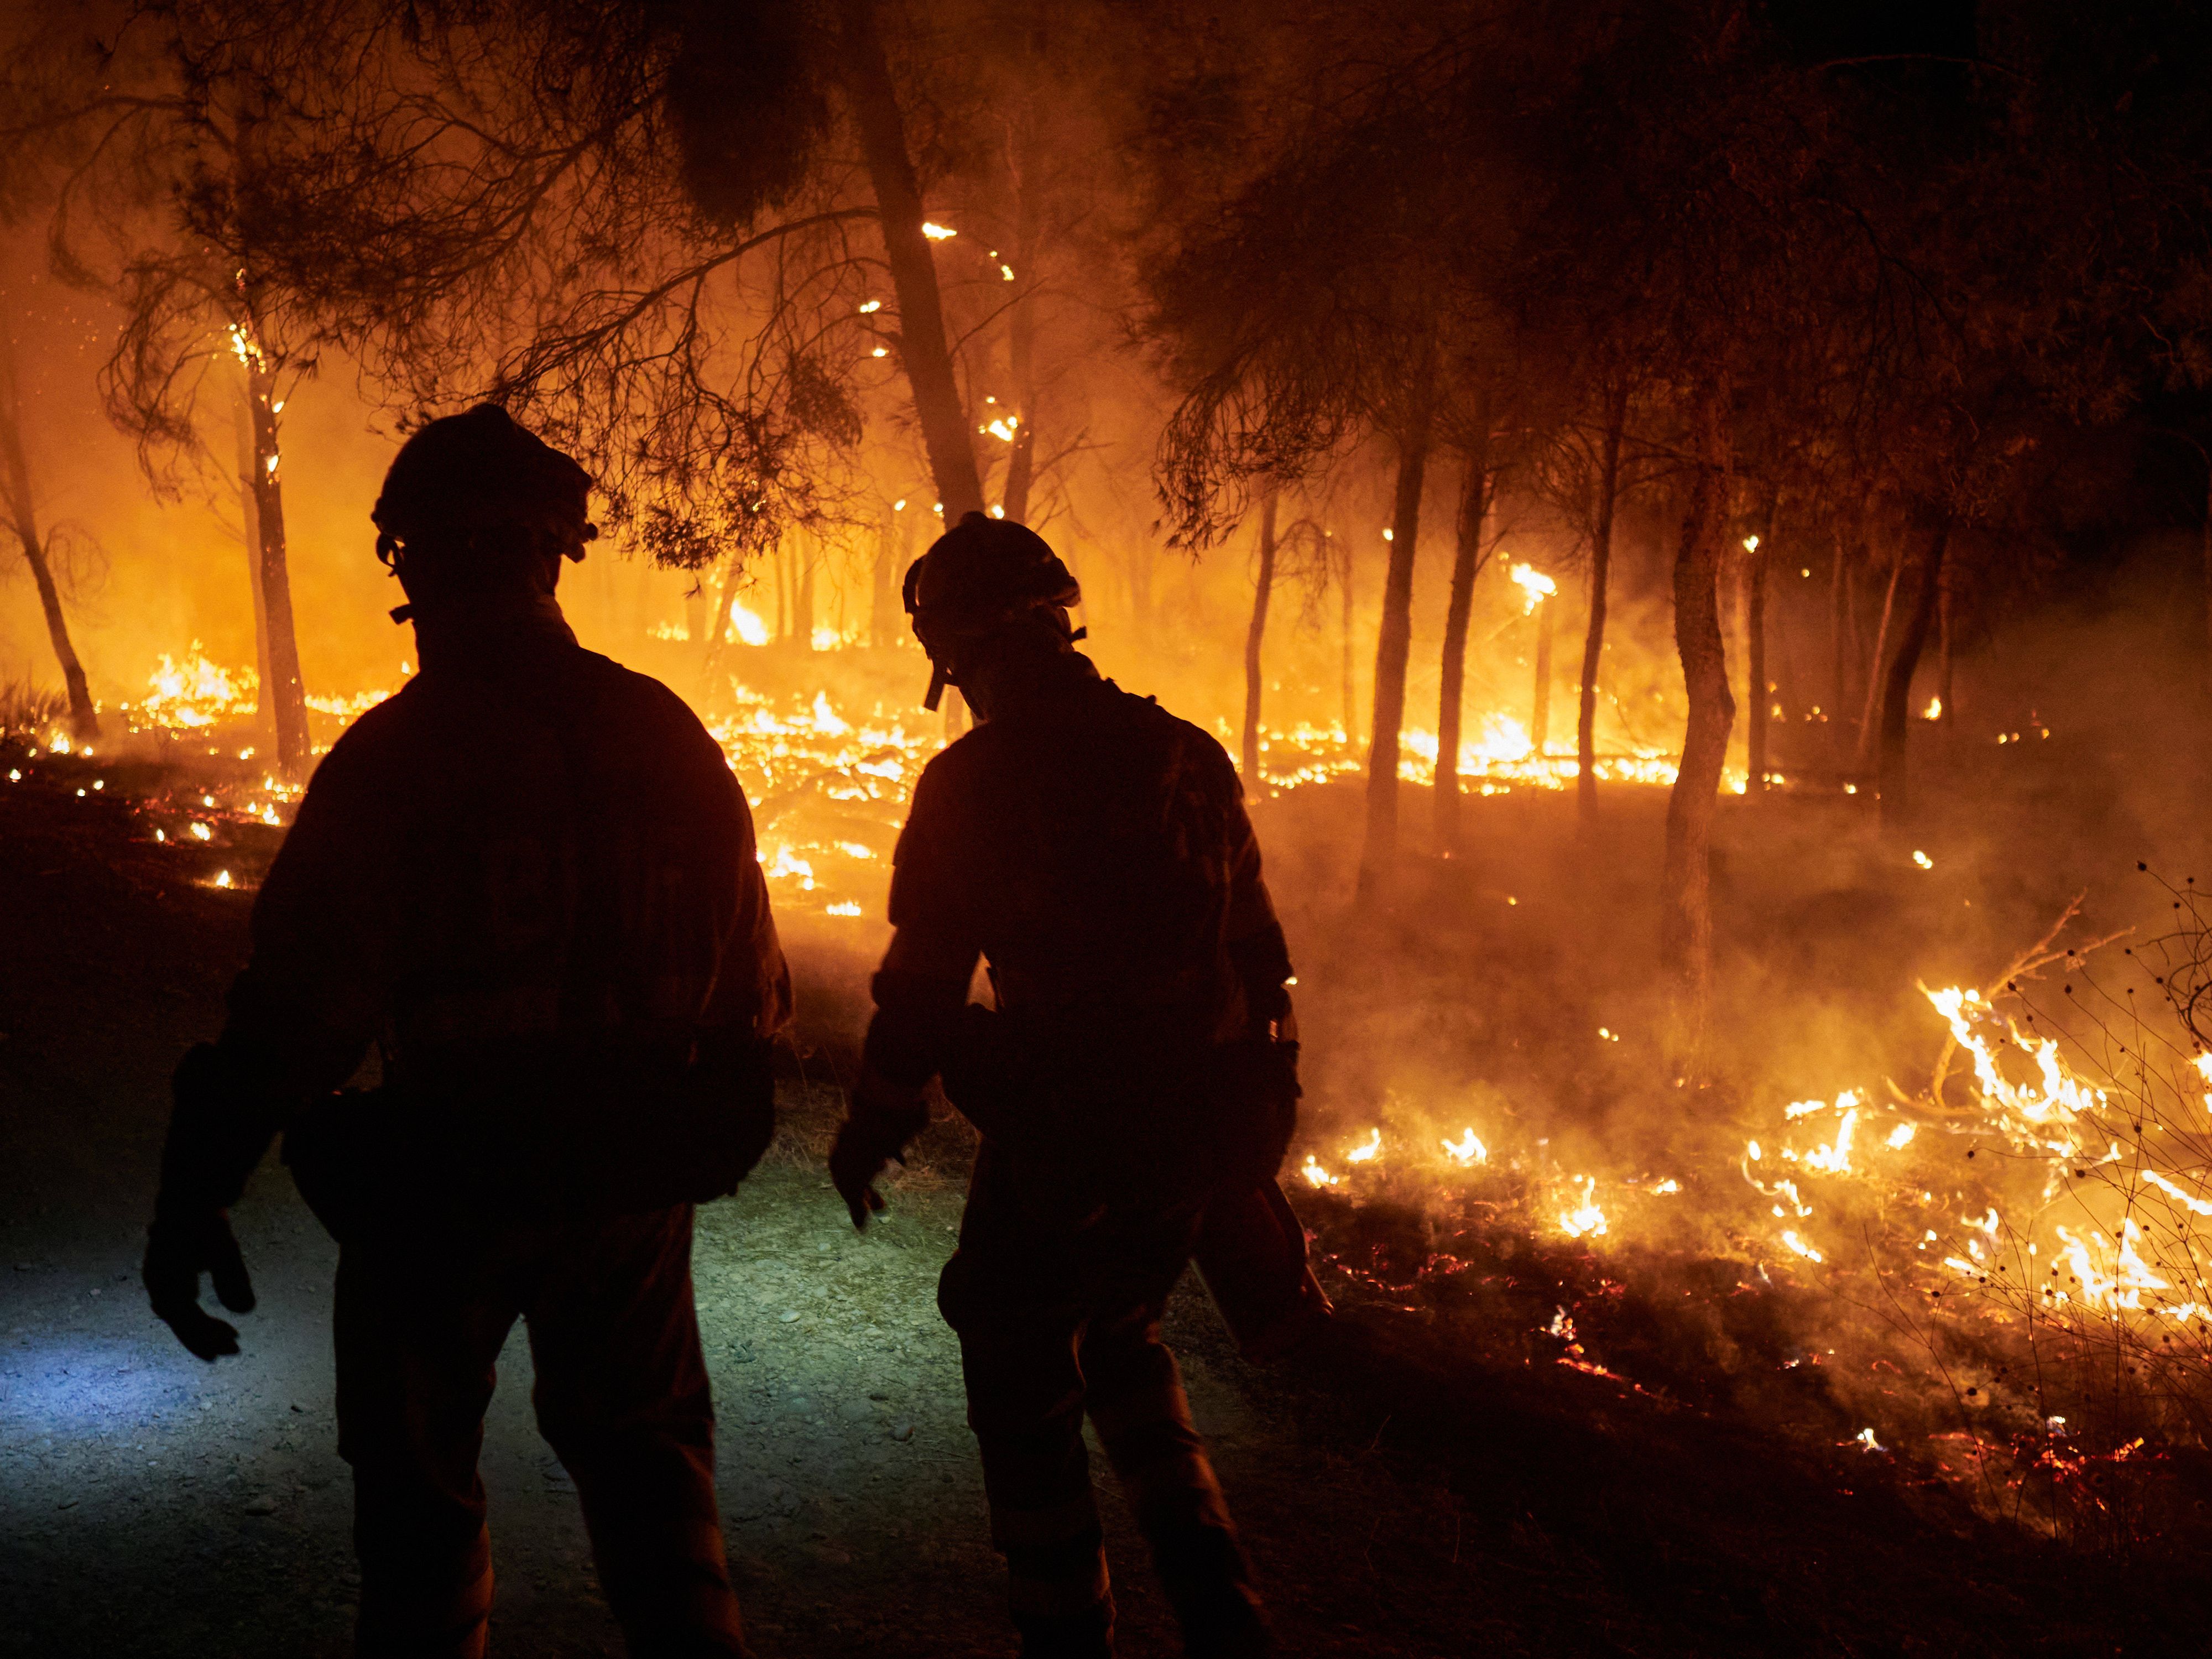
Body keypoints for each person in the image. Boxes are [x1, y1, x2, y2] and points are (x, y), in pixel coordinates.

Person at [142, 404, 790, 1659]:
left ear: (412, 561)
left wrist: (194, 1193)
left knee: (416, 1485)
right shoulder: (668, 739)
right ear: (556, 557)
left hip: (445, 1182)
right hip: (628, 1183)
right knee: (653, 1475)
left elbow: (298, 1014)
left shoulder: (402, 757)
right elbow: (750, 1002)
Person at [830, 512, 1323, 1659]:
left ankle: (1066, 1633)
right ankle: (1220, 1609)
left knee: (1009, 1345)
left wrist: (875, 1121)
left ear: (959, 652)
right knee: (1117, 1332)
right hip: (1202, 1124)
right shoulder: (1184, 753)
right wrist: (1256, 1111)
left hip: (1070, 1129)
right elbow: (1261, 957)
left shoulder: (974, 781)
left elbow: (922, 987)